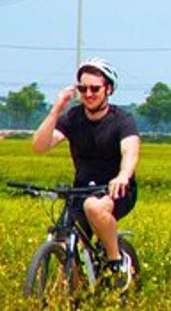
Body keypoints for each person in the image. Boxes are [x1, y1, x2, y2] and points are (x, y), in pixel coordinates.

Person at [31, 57, 141, 285]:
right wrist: (56, 109)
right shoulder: (73, 118)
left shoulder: (122, 120)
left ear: (108, 89)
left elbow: (130, 151)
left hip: (116, 189)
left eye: (95, 88)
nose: (88, 94)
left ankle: (115, 260)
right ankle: (75, 292)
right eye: (83, 88)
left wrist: (123, 176)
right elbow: (40, 146)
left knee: (94, 207)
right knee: (63, 237)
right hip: (80, 189)